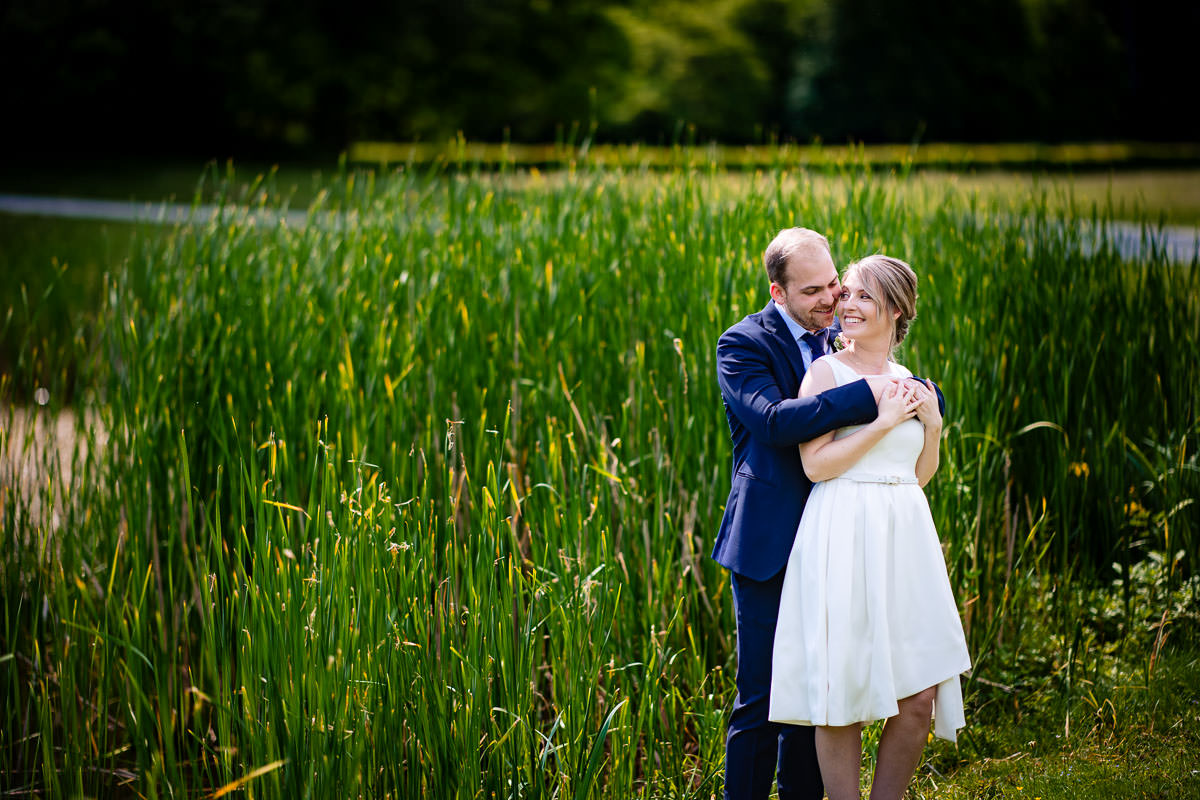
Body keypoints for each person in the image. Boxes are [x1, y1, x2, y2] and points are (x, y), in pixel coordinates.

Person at [714, 228, 938, 800]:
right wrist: (875, 396)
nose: (832, 298)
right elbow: (774, 422)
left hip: (846, 542)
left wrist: (917, 397)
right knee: (764, 698)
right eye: (813, 291)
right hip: (771, 540)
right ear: (778, 292)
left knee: (823, 696)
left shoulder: (844, 337)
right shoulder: (743, 345)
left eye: (834, 284)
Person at [768, 254, 971, 800]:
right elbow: (816, 466)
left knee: (919, 697)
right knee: (847, 689)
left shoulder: (908, 381)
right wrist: (882, 423)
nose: (847, 305)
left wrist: (932, 428)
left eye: (864, 296)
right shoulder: (825, 373)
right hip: (842, 532)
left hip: (904, 540)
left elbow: (917, 476)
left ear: (896, 309)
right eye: (847, 294)